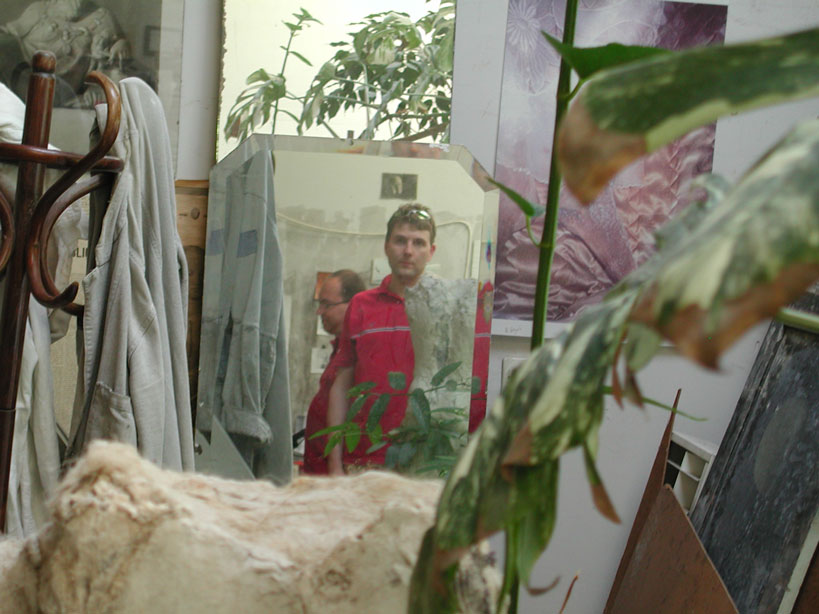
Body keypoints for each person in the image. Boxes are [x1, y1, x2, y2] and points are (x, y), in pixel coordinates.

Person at [327, 204, 436, 474]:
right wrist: (334, 464)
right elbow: (341, 386)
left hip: (423, 461)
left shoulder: (442, 307)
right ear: (387, 246)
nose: (408, 251)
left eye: (418, 243)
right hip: (363, 459)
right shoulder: (361, 305)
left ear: (431, 251)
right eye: (400, 240)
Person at [302, 269, 365, 474]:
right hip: (318, 468)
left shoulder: (361, 352)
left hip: (335, 473)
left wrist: (336, 467)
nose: (319, 312)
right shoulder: (338, 348)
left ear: (352, 304)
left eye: (326, 304)